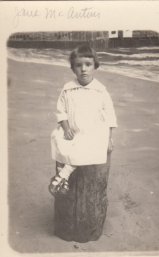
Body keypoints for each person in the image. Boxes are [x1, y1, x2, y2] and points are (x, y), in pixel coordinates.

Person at [49, 44, 117, 196]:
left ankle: (64, 174)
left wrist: (109, 138)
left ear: (95, 66)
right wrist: (66, 129)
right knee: (57, 139)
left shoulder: (100, 90)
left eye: (88, 64)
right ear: (73, 69)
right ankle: (63, 175)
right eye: (79, 65)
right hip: (72, 129)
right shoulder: (68, 88)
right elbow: (61, 111)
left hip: (92, 130)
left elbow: (110, 114)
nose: (84, 69)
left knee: (90, 146)